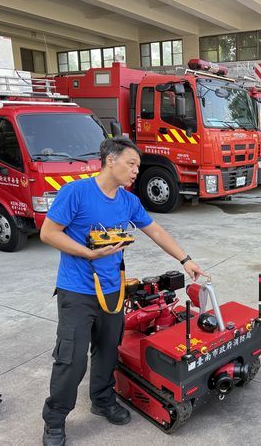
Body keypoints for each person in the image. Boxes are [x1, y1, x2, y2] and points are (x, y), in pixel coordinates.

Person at [40, 136, 204, 446]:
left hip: (114, 291)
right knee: (71, 359)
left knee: (107, 350)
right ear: (110, 160)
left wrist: (185, 259)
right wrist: (88, 253)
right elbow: (49, 233)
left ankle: (102, 399)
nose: (135, 171)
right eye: (131, 164)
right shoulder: (76, 192)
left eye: (138, 166)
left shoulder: (128, 201)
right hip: (77, 291)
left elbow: (154, 229)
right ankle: (55, 419)